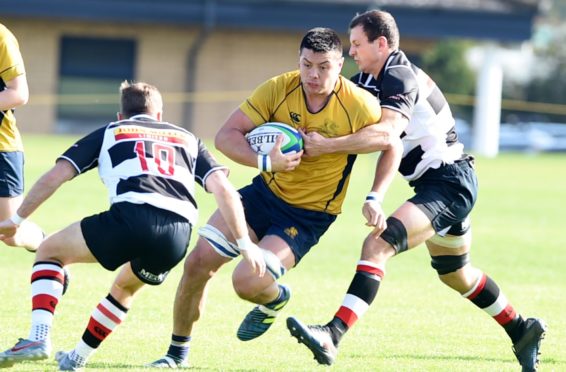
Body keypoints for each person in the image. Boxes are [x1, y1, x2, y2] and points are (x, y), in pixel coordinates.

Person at [286, 10, 546, 372]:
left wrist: (330, 151)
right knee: (457, 273)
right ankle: (522, 328)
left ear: (381, 43)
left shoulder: (400, 75)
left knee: (378, 245)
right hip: (436, 184)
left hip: (450, 182)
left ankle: (333, 333)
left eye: (358, 44)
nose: (354, 51)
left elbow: (386, 135)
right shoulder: (366, 80)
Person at [148, 27, 402, 368]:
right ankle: (176, 355)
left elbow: (391, 142)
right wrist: (267, 161)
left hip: (307, 215)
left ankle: (275, 298)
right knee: (197, 264)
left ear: (340, 65)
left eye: (323, 66)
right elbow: (226, 136)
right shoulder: (279, 88)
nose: (313, 75)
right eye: (306, 64)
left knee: (246, 282)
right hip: (262, 194)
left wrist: (375, 196)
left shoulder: (358, 104)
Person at [0, 81, 266, 370]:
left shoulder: (111, 131)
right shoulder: (189, 138)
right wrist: (244, 244)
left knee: (50, 251)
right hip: (177, 234)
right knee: (125, 287)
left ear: (120, 116)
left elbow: (56, 176)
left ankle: (38, 337)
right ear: (160, 116)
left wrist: (16, 220)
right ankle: (76, 358)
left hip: (131, 217)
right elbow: (225, 191)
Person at [0, 23, 44, 251]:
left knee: (9, 233)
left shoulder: (2, 37)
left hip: (2, 148)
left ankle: (47, 246)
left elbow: (18, 93)